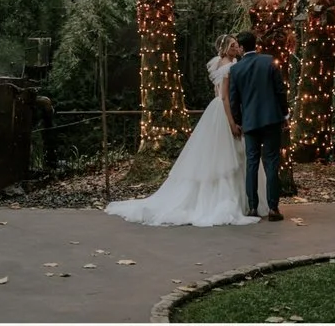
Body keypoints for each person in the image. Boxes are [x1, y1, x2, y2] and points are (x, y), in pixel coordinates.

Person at [106, 34, 255, 230]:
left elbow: (217, 94)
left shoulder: (220, 63)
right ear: (226, 48)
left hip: (214, 109)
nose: (236, 48)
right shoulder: (229, 67)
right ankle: (226, 200)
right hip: (224, 111)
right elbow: (225, 97)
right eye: (233, 45)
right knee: (226, 154)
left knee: (217, 154)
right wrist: (232, 122)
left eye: (237, 45)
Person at [225, 28, 289, 221]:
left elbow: (234, 100)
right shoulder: (269, 61)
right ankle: (273, 208)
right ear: (256, 45)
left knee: (252, 163)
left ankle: (253, 207)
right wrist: (285, 113)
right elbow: (280, 91)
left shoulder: (236, 69)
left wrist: (238, 122)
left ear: (242, 48)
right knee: (272, 162)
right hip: (271, 119)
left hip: (250, 122)